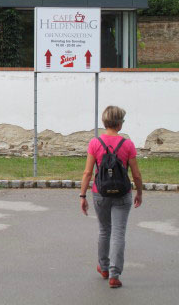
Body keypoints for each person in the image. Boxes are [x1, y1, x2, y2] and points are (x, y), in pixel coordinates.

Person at [79, 105, 143, 289]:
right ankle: (115, 275)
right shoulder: (128, 144)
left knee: (104, 230)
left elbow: (87, 172)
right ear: (120, 125)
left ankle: (104, 268)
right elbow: (136, 174)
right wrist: (139, 192)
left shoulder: (95, 143)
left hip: (100, 193)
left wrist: (82, 195)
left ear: (104, 122)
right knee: (118, 233)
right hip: (123, 194)